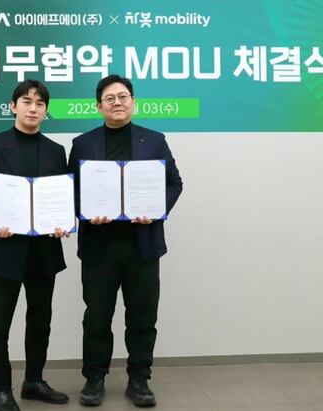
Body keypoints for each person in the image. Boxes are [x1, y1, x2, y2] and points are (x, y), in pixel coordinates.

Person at [68, 74, 183, 407]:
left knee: (143, 316)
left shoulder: (155, 140)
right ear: (98, 106)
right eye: (109, 98)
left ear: (133, 102)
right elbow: (69, 190)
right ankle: (94, 378)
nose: (116, 103)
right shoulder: (83, 144)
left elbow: (174, 183)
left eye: (122, 97)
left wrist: (156, 210)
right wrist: (86, 212)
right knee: (97, 316)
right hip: (99, 246)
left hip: (142, 245)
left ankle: (139, 379)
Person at [0, 80, 70, 411]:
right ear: (13, 106)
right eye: (26, 101)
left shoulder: (56, 151)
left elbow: (61, 196)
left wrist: (63, 221)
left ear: (46, 111)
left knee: (40, 322)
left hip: (44, 251)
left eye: (40, 104)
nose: (33, 108)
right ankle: (0, 388)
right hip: (5, 248)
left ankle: (34, 381)